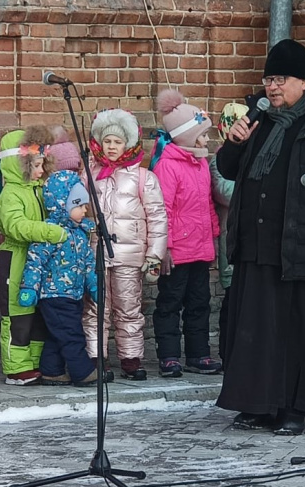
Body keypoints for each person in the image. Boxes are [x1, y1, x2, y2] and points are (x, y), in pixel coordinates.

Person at [215, 39, 305, 435]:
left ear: (302, 81)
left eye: (279, 79)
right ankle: (257, 404)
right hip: (257, 242)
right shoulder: (257, 119)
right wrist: (234, 142)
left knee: (299, 329)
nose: (271, 88)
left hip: (304, 242)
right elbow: (228, 170)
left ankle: (294, 409)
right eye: (267, 79)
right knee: (256, 330)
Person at [83, 108, 168, 381]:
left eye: (117, 142)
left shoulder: (143, 178)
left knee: (129, 307)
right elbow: (79, 209)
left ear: (128, 144)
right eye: (107, 141)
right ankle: (97, 358)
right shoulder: (88, 174)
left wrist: (155, 254)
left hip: (129, 255)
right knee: (97, 307)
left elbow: (156, 217)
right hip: (95, 251)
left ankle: (131, 358)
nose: (111, 147)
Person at [151, 89, 222, 377]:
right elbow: (161, 209)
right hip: (177, 252)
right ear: (185, 135)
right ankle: (168, 355)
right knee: (170, 303)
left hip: (200, 249)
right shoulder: (168, 166)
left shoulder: (201, 164)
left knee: (199, 303)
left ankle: (199, 353)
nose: (206, 139)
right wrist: (162, 247)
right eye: (202, 134)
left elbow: (207, 203)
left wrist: (214, 235)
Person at [0, 126, 66, 386]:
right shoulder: (11, 193)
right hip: (16, 258)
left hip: (39, 260)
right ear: (19, 165)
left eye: (42, 165)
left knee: (37, 313)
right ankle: (17, 366)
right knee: (18, 314)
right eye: (35, 166)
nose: (40, 171)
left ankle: (35, 362)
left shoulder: (39, 189)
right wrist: (48, 232)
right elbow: (15, 225)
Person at [18, 170, 98, 386]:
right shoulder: (50, 232)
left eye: (84, 205)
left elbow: (88, 264)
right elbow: (35, 261)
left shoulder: (81, 234)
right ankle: (83, 372)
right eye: (79, 205)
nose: (84, 210)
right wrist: (30, 288)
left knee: (57, 335)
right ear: (62, 204)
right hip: (54, 295)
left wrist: (94, 286)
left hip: (73, 294)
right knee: (72, 334)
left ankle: (51, 371)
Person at [211, 102, 248, 363]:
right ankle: (227, 353)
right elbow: (224, 192)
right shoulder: (220, 158)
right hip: (230, 235)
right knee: (232, 296)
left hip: (253, 237)